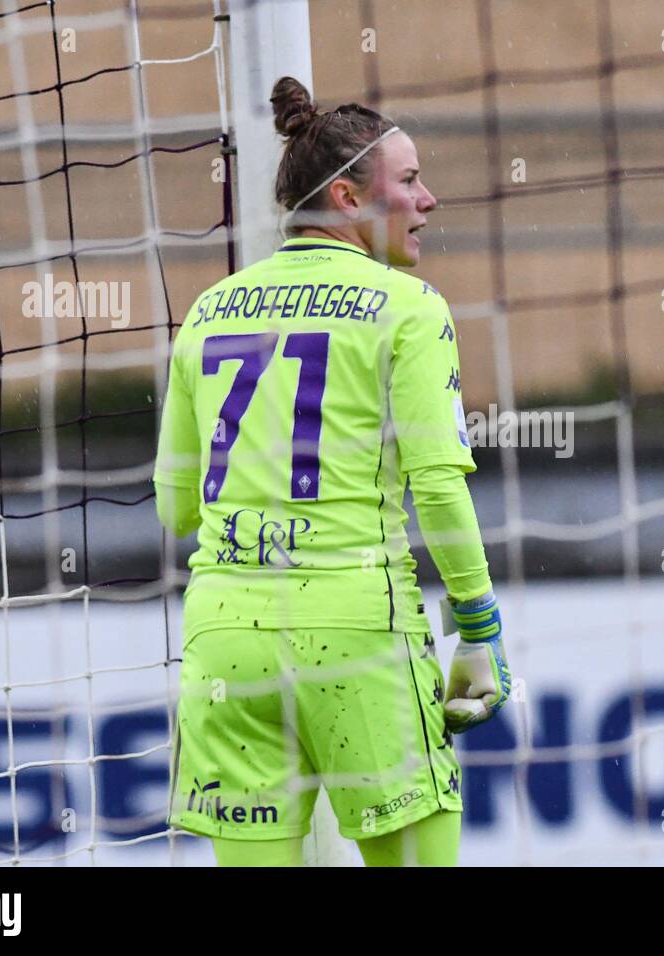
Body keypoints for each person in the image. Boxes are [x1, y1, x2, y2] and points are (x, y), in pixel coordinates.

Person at [153, 76, 510, 867]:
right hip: (357, 633)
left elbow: (177, 509)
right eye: (409, 181)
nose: (429, 200)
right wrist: (478, 628)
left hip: (223, 639)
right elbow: (440, 485)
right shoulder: (409, 308)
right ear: (347, 198)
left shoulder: (207, 313)